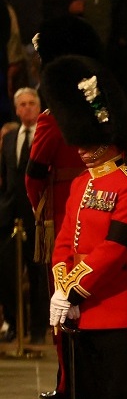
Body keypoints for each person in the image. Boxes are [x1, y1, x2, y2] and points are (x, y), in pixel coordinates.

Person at [40, 53, 127, 399]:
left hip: (116, 311)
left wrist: (71, 289)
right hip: (82, 316)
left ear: (110, 140)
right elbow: (65, 240)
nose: (82, 151)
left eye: (90, 144)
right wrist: (60, 285)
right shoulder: (80, 186)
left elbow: (115, 250)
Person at [24, 17, 103, 399]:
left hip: (62, 216)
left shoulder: (51, 121)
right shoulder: (101, 112)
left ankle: (70, 381)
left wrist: (42, 212)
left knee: (62, 296)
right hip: (104, 212)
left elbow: (34, 176)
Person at [0, 87, 41, 342]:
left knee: (36, 272)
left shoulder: (45, 135)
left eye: (31, 103)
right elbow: (7, 176)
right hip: (10, 215)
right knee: (8, 272)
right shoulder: (10, 136)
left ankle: (37, 329)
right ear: (16, 109)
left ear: (38, 106)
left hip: (35, 214)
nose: (27, 108)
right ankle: (13, 324)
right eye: (22, 104)